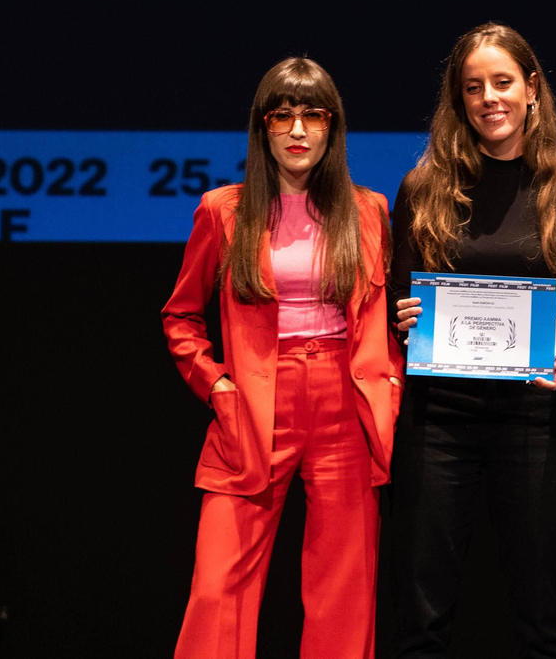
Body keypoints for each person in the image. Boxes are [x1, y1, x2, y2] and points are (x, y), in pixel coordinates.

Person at [389, 22, 556, 659]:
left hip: (532, 420)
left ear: (531, 88)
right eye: (473, 87)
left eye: (502, 82)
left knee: (546, 620)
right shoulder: (423, 188)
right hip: (438, 422)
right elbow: (396, 299)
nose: (489, 98)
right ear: (458, 99)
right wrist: (403, 317)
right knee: (420, 619)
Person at [162, 57, 403, 659]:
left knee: (344, 589)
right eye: (283, 116)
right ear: (263, 126)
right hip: (254, 402)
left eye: (313, 115)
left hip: (345, 402)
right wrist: (216, 385)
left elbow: (382, 319)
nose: (298, 130)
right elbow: (181, 317)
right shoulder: (222, 210)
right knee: (218, 585)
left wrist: (393, 380)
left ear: (332, 127)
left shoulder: (369, 210)